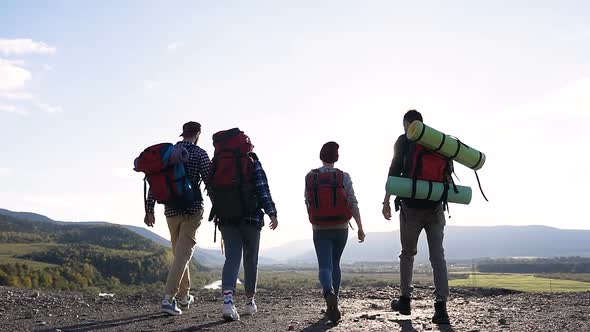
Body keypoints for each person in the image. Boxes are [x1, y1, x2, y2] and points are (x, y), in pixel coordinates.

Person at [382, 110, 451, 324]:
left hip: (411, 207)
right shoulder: (437, 141)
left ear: (406, 123)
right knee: (437, 257)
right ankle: (441, 308)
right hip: (436, 207)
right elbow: (448, 172)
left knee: (407, 254)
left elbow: (394, 170)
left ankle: (405, 300)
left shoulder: (404, 141)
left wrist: (386, 200)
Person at [208, 128, 279, 321]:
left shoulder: (217, 163)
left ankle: (228, 303)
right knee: (251, 258)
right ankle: (249, 302)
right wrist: (271, 212)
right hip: (251, 218)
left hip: (226, 218)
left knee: (232, 258)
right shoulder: (251, 161)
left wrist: (224, 207)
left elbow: (211, 189)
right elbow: (263, 188)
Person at [144, 121, 212, 316]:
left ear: (183, 133)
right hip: (193, 208)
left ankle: (183, 296)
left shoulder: (168, 153)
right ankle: (168, 299)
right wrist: (218, 208)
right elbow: (209, 181)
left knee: (179, 254)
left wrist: (149, 210)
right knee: (183, 254)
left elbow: (155, 181)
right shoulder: (199, 153)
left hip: (170, 210)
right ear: (198, 133)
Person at [305, 141, 365, 323]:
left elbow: (307, 201)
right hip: (341, 227)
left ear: (321, 156)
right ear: (336, 158)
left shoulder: (310, 177)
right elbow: (353, 202)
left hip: (319, 227)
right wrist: (360, 227)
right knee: (335, 263)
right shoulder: (343, 176)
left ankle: (328, 293)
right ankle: (335, 303)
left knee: (325, 266)